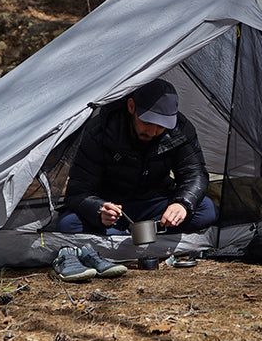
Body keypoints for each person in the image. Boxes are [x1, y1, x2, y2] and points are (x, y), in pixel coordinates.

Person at [56, 78, 218, 234]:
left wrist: (181, 203)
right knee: (68, 224)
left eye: (161, 127)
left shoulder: (181, 130)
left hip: (156, 203)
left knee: (206, 209)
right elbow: (78, 190)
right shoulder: (100, 131)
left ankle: (121, 237)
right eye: (147, 123)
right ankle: (143, 234)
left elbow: (194, 174)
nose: (153, 132)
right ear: (131, 107)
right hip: (114, 208)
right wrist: (99, 209)